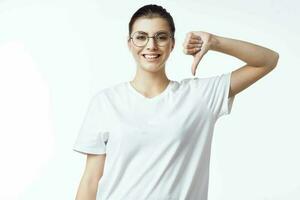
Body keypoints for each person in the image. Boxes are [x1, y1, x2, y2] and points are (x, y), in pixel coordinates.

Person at [73, 4, 279, 200]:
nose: (151, 45)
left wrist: (215, 42)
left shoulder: (199, 96)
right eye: (141, 37)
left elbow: (267, 61)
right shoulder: (106, 102)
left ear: (172, 43)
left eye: (161, 37)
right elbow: (91, 180)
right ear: (129, 43)